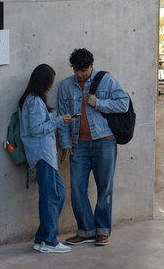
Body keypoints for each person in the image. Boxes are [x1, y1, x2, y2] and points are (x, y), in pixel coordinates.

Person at [57, 48, 129, 246]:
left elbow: (123, 104)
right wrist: (65, 144)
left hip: (104, 141)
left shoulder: (105, 80)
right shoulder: (66, 86)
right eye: (75, 70)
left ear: (91, 66)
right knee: (77, 188)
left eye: (83, 70)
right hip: (78, 145)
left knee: (104, 188)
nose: (79, 74)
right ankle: (86, 230)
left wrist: (99, 103)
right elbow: (63, 117)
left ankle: (102, 231)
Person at [18, 64, 75, 254]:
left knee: (57, 193)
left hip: (46, 156)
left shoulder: (35, 101)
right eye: (49, 83)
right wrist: (59, 121)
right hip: (43, 155)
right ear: (42, 82)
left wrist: (58, 120)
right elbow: (35, 130)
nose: (51, 87)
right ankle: (49, 241)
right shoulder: (33, 102)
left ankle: (41, 238)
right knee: (50, 197)